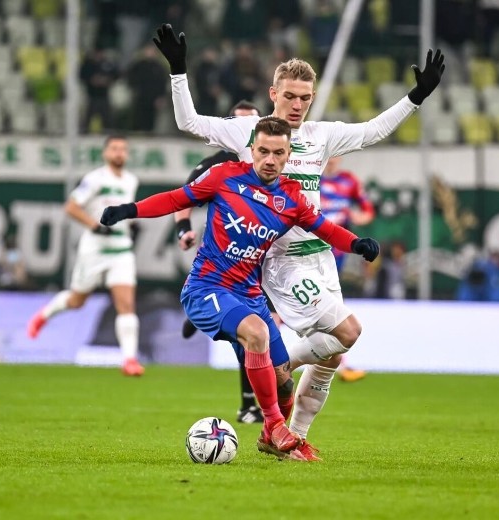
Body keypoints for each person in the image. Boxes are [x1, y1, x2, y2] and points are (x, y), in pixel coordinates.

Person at [152, 23, 444, 459]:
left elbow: (372, 131)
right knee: (347, 330)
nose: (298, 105)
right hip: (280, 261)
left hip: (321, 256)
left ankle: (293, 433)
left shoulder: (319, 136)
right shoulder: (248, 132)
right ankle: (278, 361)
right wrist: (178, 70)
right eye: (290, 96)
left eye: (305, 98)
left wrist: (414, 98)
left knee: (334, 353)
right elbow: (188, 121)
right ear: (273, 93)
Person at [99, 116, 381, 460]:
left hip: (249, 295)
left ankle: (267, 437)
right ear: (252, 150)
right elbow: (176, 199)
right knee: (258, 333)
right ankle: (276, 425)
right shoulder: (225, 177)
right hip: (207, 289)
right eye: (263, 151)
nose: (270, 159)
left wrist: (356, 244)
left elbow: (324, 228)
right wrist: (128, 209)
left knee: (283, 383)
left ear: (288, 154)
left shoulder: (291, 198)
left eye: (278, 153)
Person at [175, 100, 265, 424]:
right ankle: (250, 406)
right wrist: (183, 231)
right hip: (222, 263)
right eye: (238, 123)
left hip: (259, 262)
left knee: (256, 333)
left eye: (252, 124)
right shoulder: (216, 166)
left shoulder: (269, 166)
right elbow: (182, 200)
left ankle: (253, 405)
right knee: (251, 332)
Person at [26, 135, 145, 377]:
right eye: (114, 149)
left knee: (126, 304)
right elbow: (71, 206)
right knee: (76, 301)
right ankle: (43, 315)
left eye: (123, 149)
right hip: (95, 248)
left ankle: (129, 360)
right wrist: (93, 225)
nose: (119, 153)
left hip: (121, 249)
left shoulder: (132, 180)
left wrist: (129, 224)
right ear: (105, 153)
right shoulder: (95, 179)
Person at [319, 156, 376, 382]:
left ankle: (337, 363)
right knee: (326, 305)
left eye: (336, 155)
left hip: (337, 253)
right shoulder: (312, 177)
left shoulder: (349, 181)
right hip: (312, 249)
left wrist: (356, 217)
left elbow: (367, 210)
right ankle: (339, 364)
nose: (331, 160)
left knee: (328, 305)